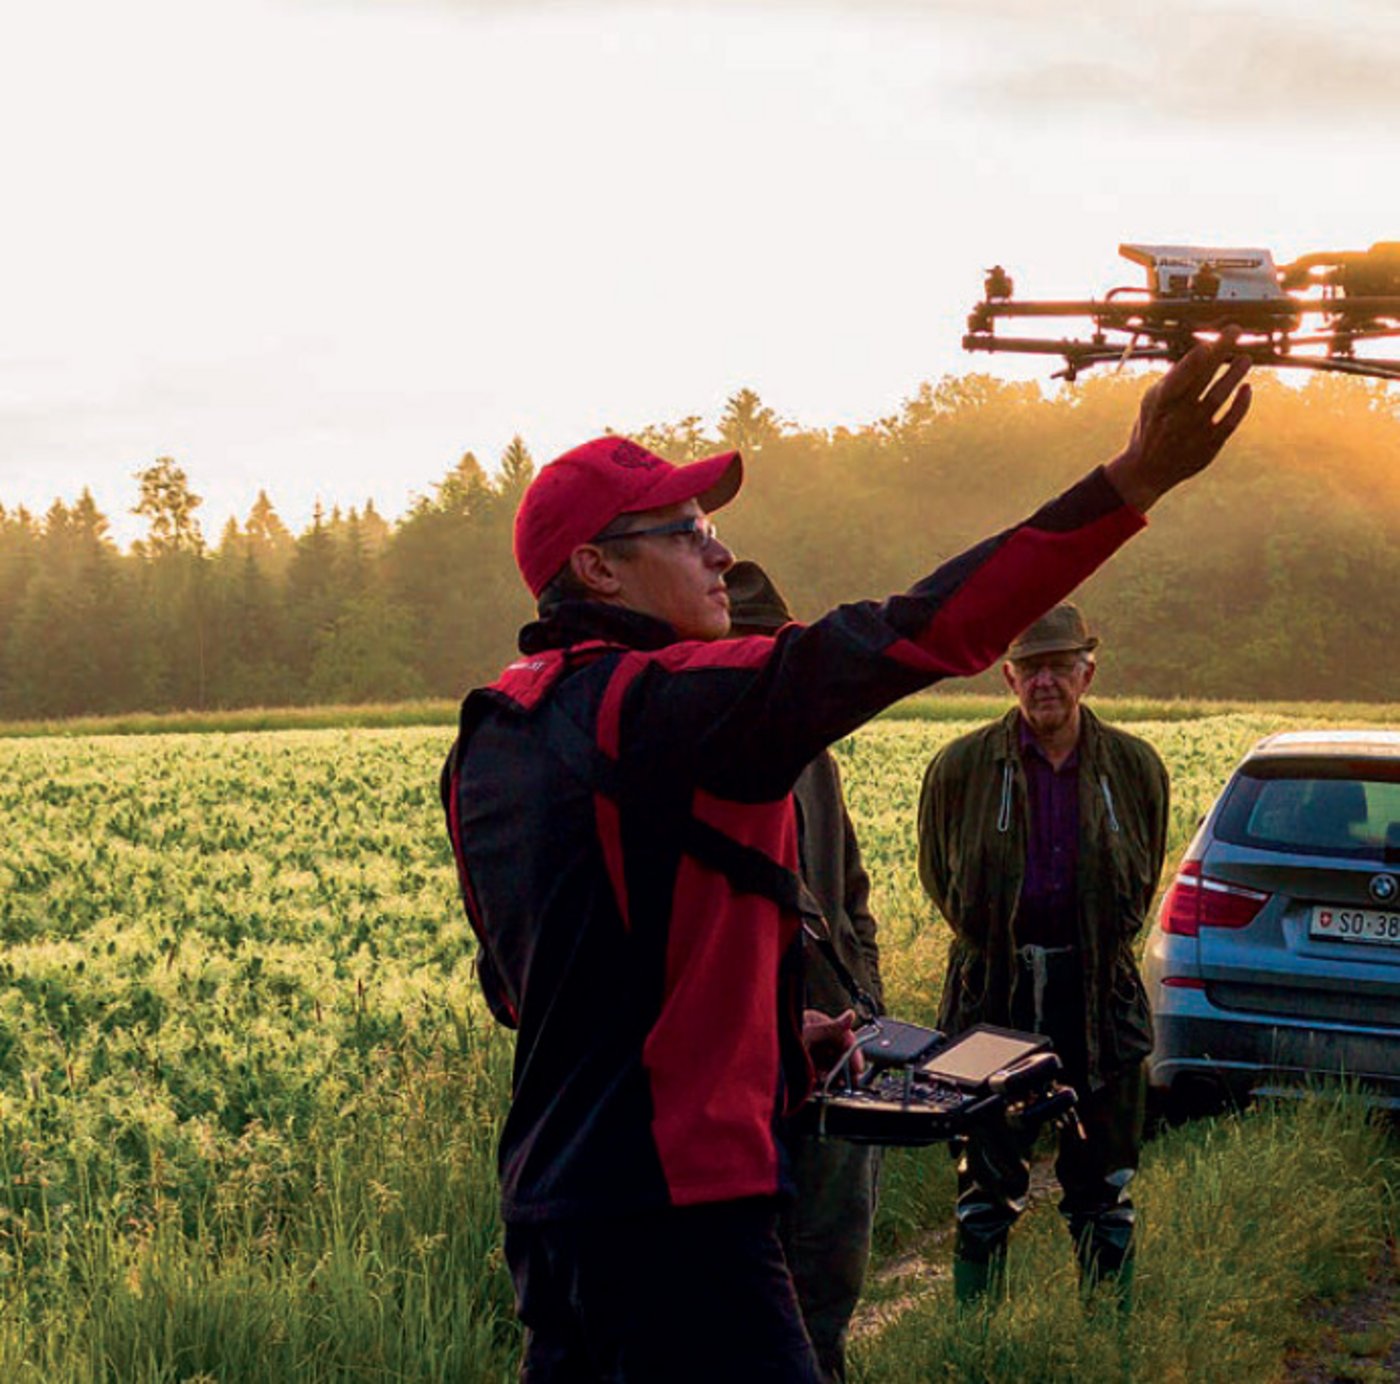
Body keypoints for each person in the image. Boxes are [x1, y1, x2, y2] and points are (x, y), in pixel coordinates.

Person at [441, 337, 1250, 1381]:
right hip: (682, 1216)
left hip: (555, 1213)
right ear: (595, 568)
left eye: (711, 528)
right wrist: (1130, 479)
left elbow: (534, 994)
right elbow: (923, 633)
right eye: (685, 532)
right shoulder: (676, 704)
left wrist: (777, 1043)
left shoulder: (489, 737)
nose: (718, 554)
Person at [916, 602, 1168, 1308]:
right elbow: (940, 876)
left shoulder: (1134, 767)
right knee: (984, 1185)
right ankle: (976, 1341)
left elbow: (1141, 874)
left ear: (1088, 673)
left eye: (1059, 666)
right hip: (991, 996)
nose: (1045, 681)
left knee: (1105, 1187)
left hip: (1098, 998)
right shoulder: (961, 768)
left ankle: (1106, 1340)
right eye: (1031, 668)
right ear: (1008, 678)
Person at [726, 559, 882, 1384]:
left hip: (834, 1061)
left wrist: (867, 1002)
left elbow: (850, 893)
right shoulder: (694, 771)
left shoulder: (814, 761)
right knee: (755, 1297)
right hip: (742, 1080)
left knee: (832, 1271)